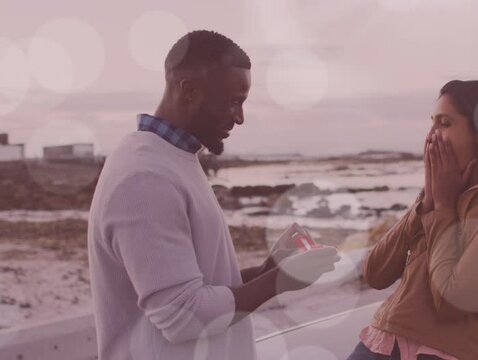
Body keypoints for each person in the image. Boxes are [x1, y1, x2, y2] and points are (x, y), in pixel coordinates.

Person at [87, 30, 340, 360]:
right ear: (189, 91)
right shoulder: (144, 177)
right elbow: (181, 316)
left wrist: (268, 268)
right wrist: (279, 282)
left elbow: (200, 288)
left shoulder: (172, 158)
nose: (240, 117)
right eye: (233, 102)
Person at [347, 80, 478, 360]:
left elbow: (453, 300)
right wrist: (426, 202)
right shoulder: (441, 192)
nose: (431, 135)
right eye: (431, 123)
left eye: (444, 123)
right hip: (379, 344)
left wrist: (443, 207)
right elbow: (375, 273)